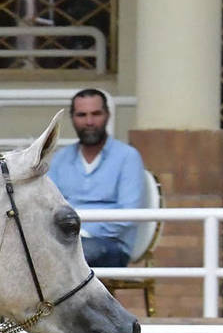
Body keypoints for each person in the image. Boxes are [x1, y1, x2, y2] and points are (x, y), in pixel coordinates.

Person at [45, 88, 148, 268]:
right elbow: (47, 206)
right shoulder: (61, 158)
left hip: (110, 245)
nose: (89, 121)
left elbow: (128, 215)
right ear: (73, 119)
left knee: (75, 254)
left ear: (107, 116)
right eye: (82, 115)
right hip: (64, 242)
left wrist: (81, 231)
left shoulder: (127, 157)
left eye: (96, 114)